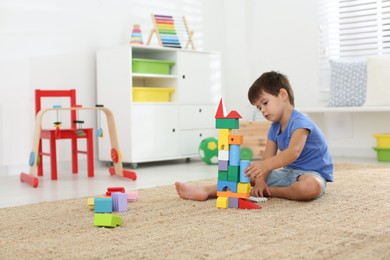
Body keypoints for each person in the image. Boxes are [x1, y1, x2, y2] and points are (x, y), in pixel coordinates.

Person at [175, 71, 333, 201]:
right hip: (288, 174)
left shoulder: (301, 122)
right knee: (243, 172)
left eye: (265, 103)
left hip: (312, 174)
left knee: (310, 188)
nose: (262, 110)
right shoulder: (274, 128)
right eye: (259, 107)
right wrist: (260, 180)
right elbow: (267, 158)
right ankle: (207, 190)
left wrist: (265, 169)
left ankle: (272, 191)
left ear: (283, 95)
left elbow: (293, 152)